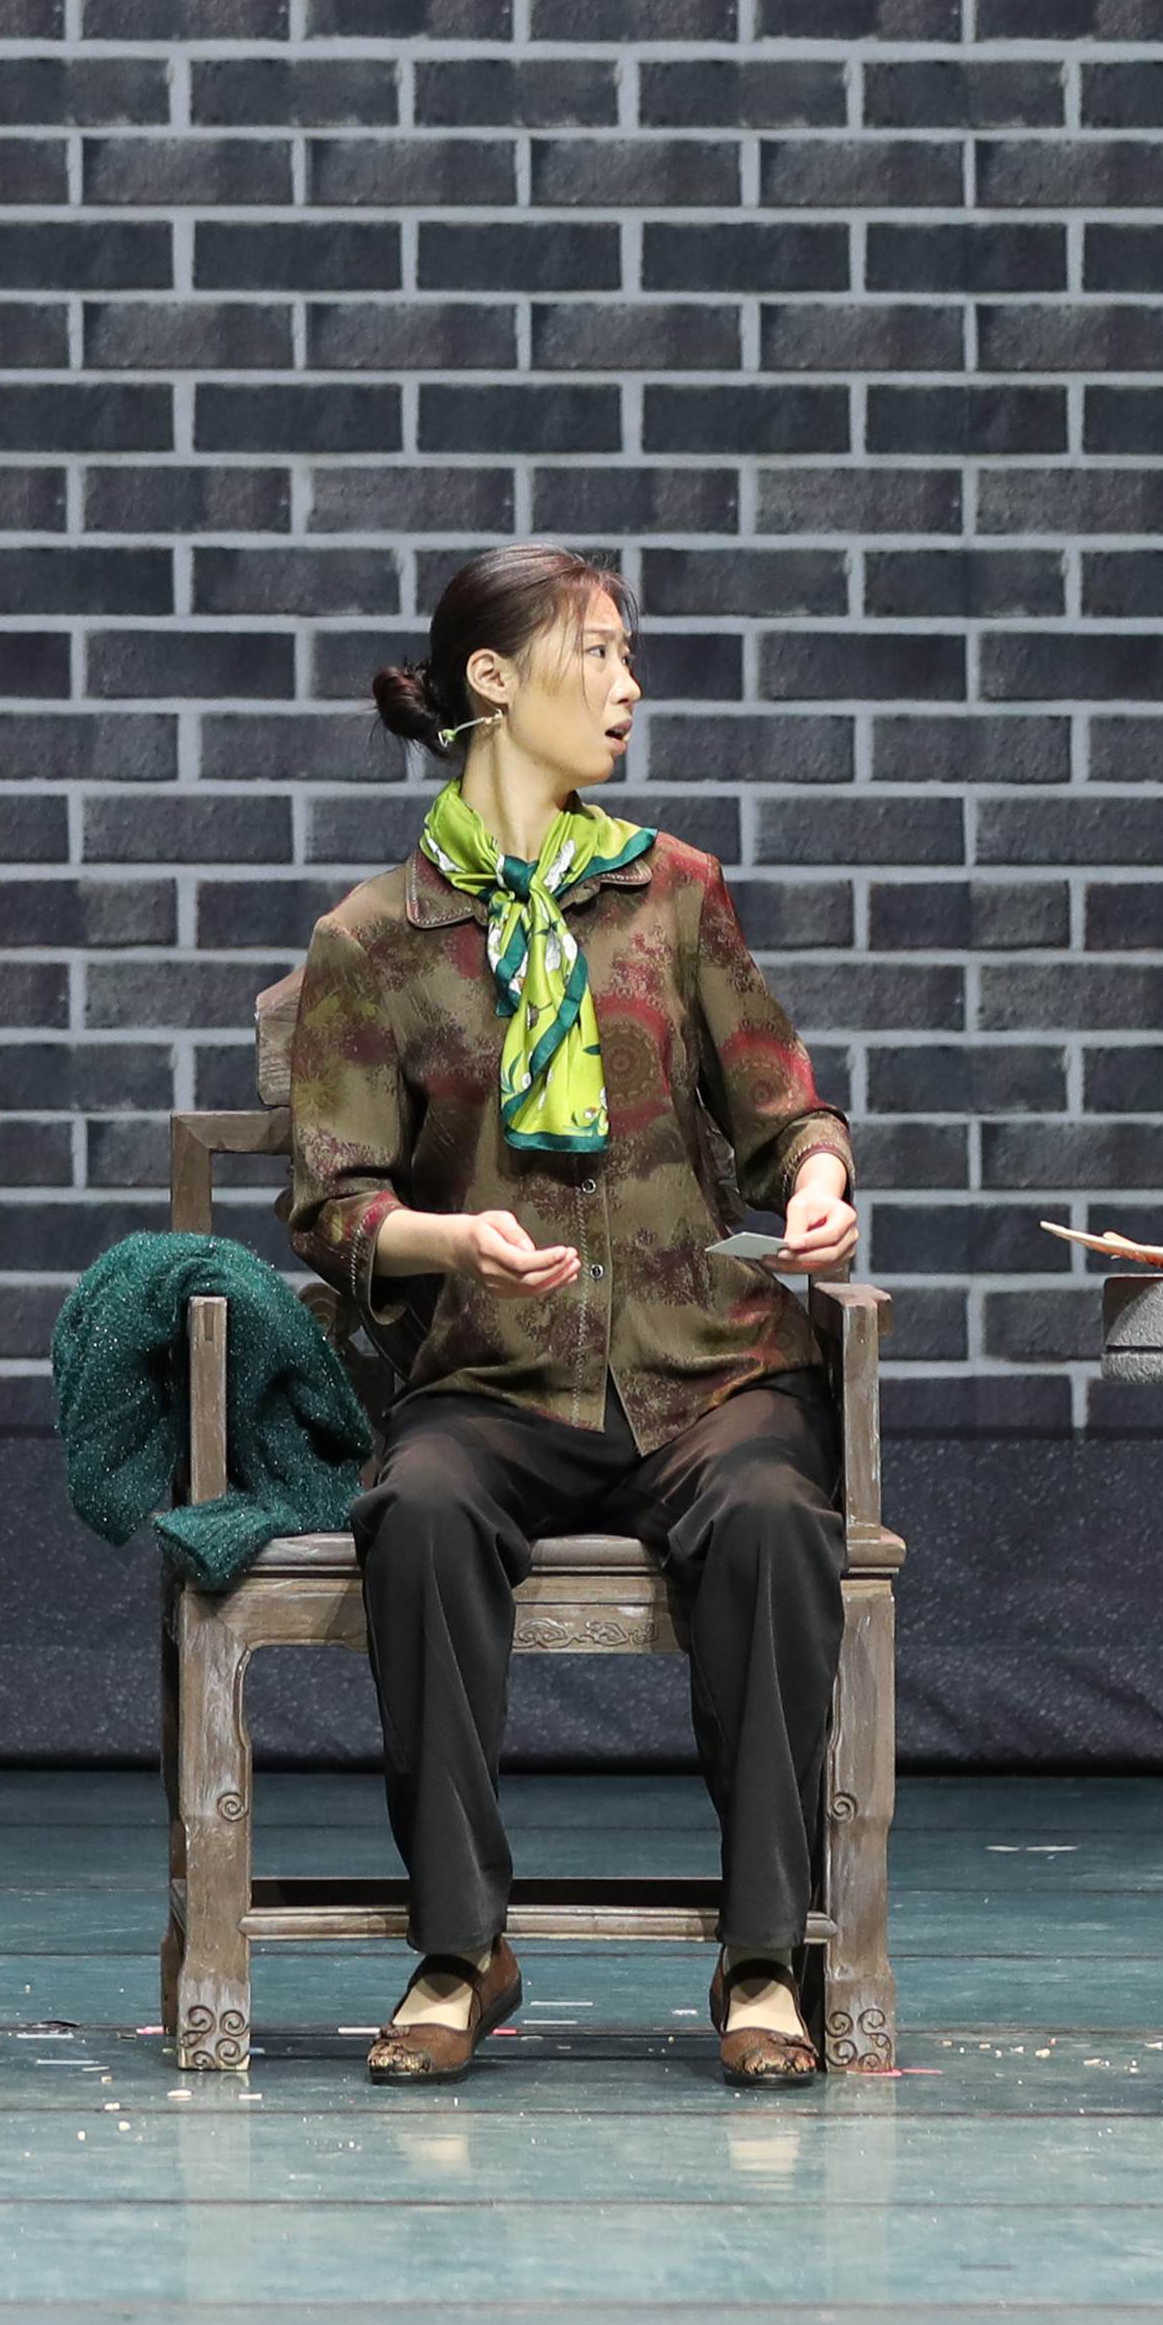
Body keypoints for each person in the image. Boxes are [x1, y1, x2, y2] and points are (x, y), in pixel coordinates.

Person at [287, 544, 862, 2089]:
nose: (626, 685)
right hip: (492, 1373)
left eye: (627, 654)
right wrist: (446, 1238)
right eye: (594, 652)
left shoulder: (672, 892)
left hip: (702, 1365)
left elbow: (783, 1108)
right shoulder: (373, 937)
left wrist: (817, 1182)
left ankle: (762, 1951)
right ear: (490, 679)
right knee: (415, 1510)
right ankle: (460, 1943)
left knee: (770, 1517)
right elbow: (334, 1203)